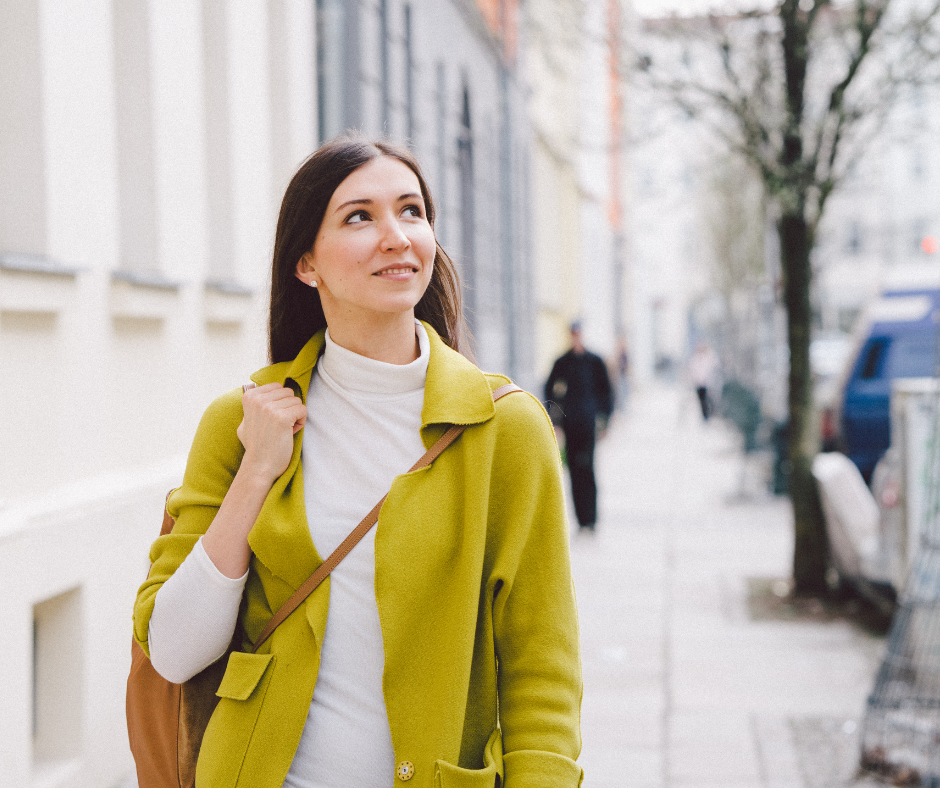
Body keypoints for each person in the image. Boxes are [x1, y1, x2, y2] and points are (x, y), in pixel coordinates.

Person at [132, 138, 583, 788]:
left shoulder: (504, 429)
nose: (397, 236)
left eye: (411, 211)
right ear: (306, 263)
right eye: (359, 217)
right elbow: (172, 652)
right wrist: (258, 471)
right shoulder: (240, 423)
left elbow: (542, 668)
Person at [544, 322, 613, 533]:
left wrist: (604, 421)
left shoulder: (594, 362)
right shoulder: (562, 362)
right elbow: (549, 391)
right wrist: (556, 421)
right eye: (573, 335)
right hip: (570, 424)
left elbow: (606, 393)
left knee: (588, 470)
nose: (576, 338)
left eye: (579, 334)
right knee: (574, 471)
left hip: (588, 424)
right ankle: (581, 522)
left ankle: (591, 520)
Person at [689, 341, 719, 421]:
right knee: (702, 400)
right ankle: (705, 415)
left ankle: (709, 414)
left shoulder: (709, 357)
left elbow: (714, 365)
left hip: (708, 384)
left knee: (708, 399)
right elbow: (693, 370)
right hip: (699, 383)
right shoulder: (695, 359)